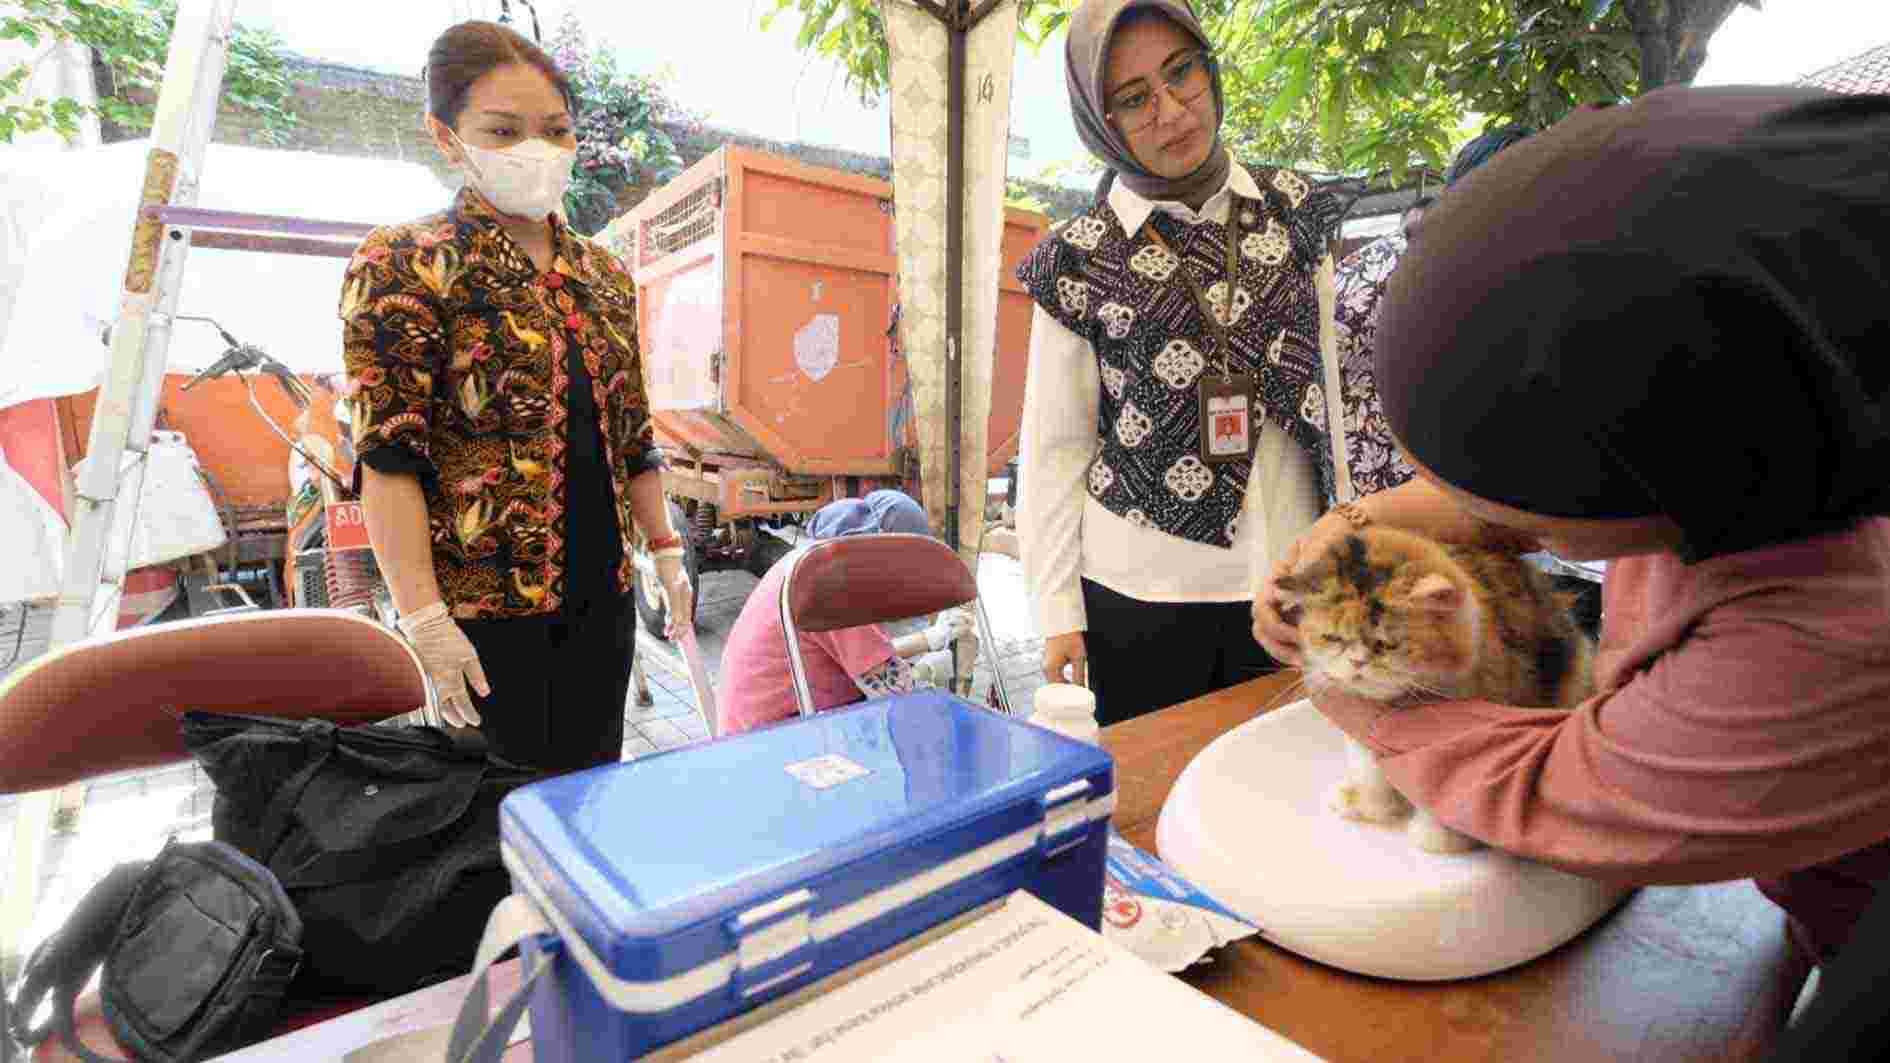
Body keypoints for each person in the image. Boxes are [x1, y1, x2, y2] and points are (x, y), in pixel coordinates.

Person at [1253, 88, 1890, 982]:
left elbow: (1566, 792)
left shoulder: (1836, 622)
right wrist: (1351, 520)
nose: (1493, 522)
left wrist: (1346, 686)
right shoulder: (1753, 410)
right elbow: (1511, 509)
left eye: (1520, 501)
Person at [342, 20, 692, 773]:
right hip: (481, 619)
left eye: (556, 129)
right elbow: (388, 456)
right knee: (490, 824)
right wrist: (425, 618)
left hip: (603, 601)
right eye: (502, 130)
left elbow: (633, 434)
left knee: (590, 796)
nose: (535, 149)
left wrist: (665, 552)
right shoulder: (407, 263)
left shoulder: (601, 275)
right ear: (447, 136)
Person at [1017, 0, 1345, 726]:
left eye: (1181, 74)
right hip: (1142, 597)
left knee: (1283, 793)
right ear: (1101, 124)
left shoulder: (1296, 213)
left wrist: (1352, 536)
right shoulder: (1078, 258)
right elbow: (1053, 448)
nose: (1170, 112)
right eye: (1133, 100)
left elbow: (1335, 397)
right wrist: (1057, 611)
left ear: (1208, 65)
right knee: (1152, 807)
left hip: (1295, 582)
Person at [717, 491, 973, 736]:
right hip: (768, 739)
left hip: (750, 722)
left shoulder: (818, 562)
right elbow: (895, 689)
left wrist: (932, 638)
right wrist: (927, 671)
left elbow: (863, 656)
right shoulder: (837, 591)